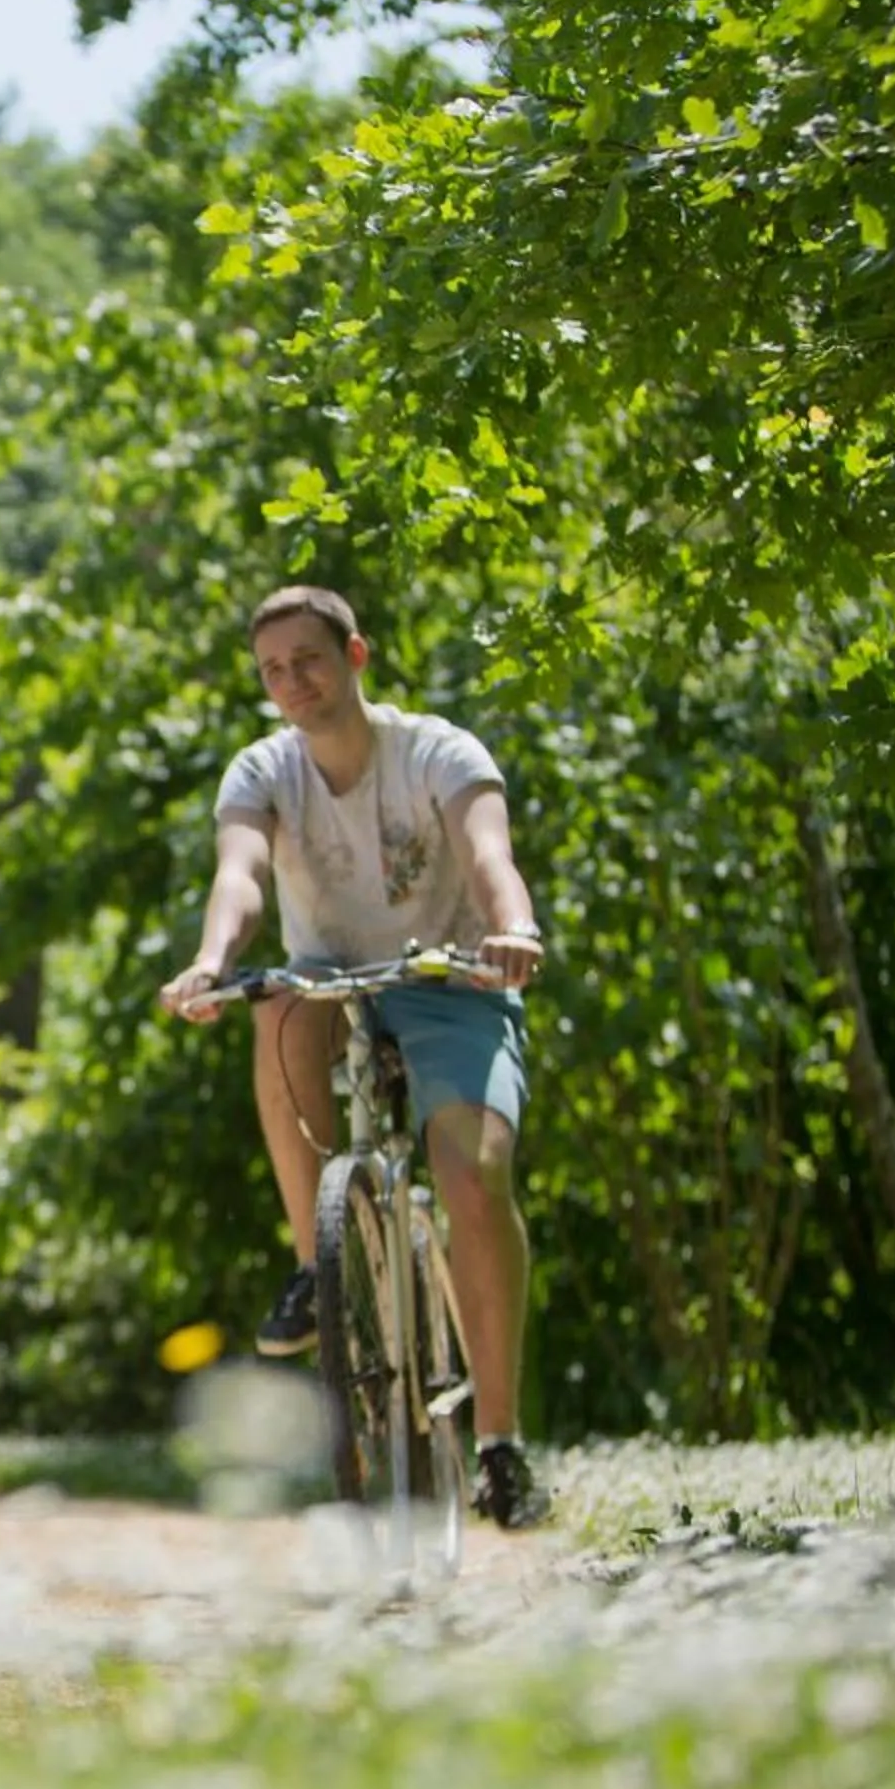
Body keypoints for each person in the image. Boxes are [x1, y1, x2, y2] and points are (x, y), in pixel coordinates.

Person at [156, 585, 550, 1529]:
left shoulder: (439, 753)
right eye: (273, 671)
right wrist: (212, 963)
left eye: (310, 660)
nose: (293, 683)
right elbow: (239, 875)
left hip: (453, 979)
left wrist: (514, 928)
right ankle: (316, 1263)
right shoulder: (262, 771)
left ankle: (498, 1444)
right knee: (277, 1004)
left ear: (357, 656)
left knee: (473, 1180)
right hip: (330, 981)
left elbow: (489, 854)